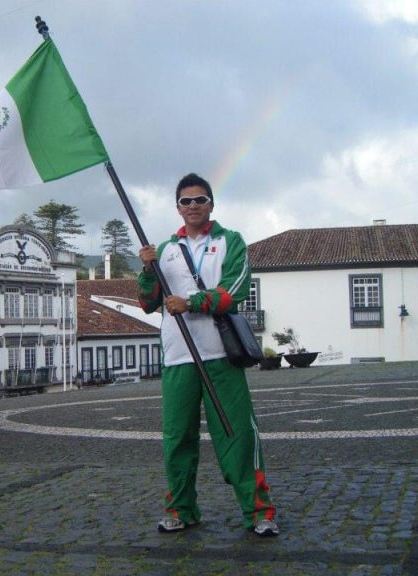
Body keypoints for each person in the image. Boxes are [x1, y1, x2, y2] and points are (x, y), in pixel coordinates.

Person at [137, 173, 278, 536]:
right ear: (178, 208)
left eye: (200, 200)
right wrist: (147, 271)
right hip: (178, 358)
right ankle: (181, 510)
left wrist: (193, 303)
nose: (193, 206)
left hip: (220, 356)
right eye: (186, 201)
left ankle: (258, 511)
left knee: (238, 436)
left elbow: (234, 288)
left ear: (211, 204)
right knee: (177, 439)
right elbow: (148, 302)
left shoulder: (230, 241)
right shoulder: (165, 250)